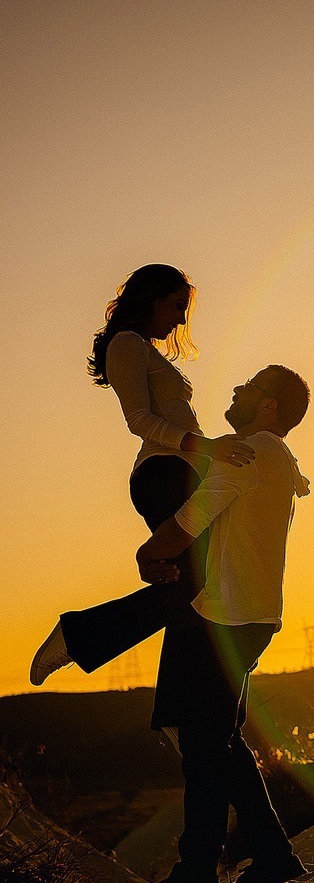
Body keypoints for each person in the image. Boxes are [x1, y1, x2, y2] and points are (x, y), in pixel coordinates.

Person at [34, 366, 311, 883]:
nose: (234, 390)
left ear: (270, 404)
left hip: (221, 617)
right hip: (249, 617)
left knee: (205, 744)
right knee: (211, 740)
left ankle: (201, 873)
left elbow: (189, 521)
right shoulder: (275, 458)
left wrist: (148, 552)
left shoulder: (249, 454)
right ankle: (269, 858)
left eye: (248, 387)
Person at [30, 264, 254, 684]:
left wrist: (212, 460)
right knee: (197, 583)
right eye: (176, 305)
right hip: (162, 473)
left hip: (186, 472)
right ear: (150, 297)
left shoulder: (145, 349)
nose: (182, 319)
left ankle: (175, 709)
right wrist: (206, 448)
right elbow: (139, 420)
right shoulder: (127, 344)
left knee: (198, 590)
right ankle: (78, 636)